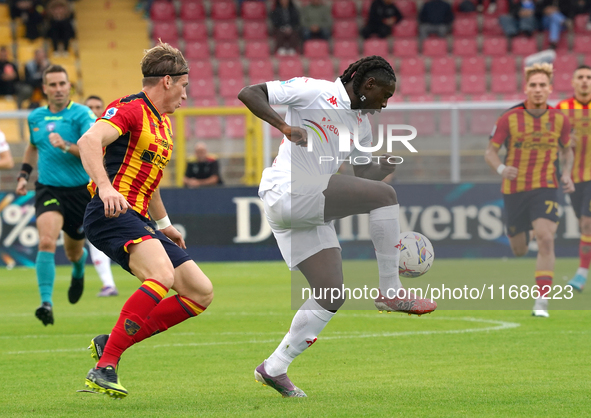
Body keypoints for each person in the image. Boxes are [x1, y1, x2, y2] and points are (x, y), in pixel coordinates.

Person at [238, 55, 437, 398]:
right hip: (288, 188)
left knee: (330, 294)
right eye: (384, 96)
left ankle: (274, 367)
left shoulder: (361, 124)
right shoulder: (312, 91)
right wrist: (284, 127)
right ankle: (390, 290)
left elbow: (363, 177)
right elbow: (249, 93)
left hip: (308, 203)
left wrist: (383, 168)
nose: (385, 105)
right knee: (385, 197)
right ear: (368, 85)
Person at [78, 41, 213, 398]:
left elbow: (149, 182)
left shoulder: (164, 124)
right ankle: (105, 365)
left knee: (200, 292)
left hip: (140, 218)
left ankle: (112, 342)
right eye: (184, 86)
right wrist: (106, 189)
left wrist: (165, 223)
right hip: (111, 213)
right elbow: (89, 141)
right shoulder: (130, 109)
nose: (186, 95)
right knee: (162, 276)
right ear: (167, 81)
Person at [485, 63, 574, 318]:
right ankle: (531, 227)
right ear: (526, 88)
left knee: (546, 238)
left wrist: (566, 173)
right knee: (519, 249)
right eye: (533, 85)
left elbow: (567, 150)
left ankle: (541, 301)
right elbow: (490, 151)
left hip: (546, 186)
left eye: (542, 85)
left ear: (549, 89)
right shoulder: (509, 118)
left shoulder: (560, 120)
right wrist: (502, 169)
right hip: (514, 189)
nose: (537, 90)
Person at [15, 64, 97, 326]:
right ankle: (46, 303)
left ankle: (78, 268)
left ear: (68, 86)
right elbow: (32, 147)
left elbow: (94, 148)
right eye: (53, 85)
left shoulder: (82, 114)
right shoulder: (35, 117)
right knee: (47, 242)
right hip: (48, 188)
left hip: (79, 192)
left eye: (63, 84)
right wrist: (23, 176)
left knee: (74, 252)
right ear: (45, 89)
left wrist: (67, 146)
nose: (59, 89)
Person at [556, 65, 591, 291]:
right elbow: (553, 142)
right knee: (583, 224)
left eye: (589, 77)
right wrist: (565, 143)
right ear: (573, 82)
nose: (585, 81)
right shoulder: (563, 108)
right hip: (574, 177)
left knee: (587, 223)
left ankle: (581, 274)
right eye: (581, 77)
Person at [83, 95, 119, 297]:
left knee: (95, 236)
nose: (94, 111)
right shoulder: (80, 132)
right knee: (74, 244)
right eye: (89, 107)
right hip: (77, 190)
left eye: (98, 107)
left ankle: (108, 284)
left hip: (103, 190)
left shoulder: (111, 132)